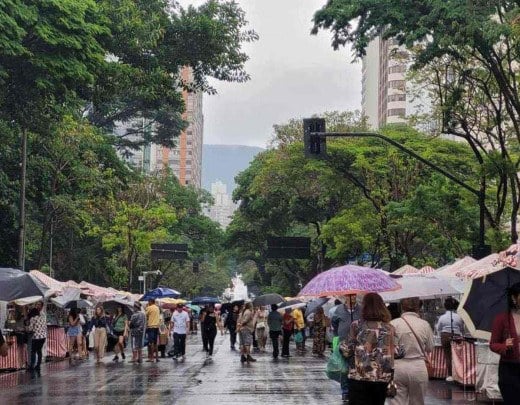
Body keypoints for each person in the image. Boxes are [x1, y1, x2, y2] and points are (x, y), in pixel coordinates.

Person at [341, 292, 400, 405]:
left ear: (364, 307)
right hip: (381, 378)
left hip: (358, 376)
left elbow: (346, 350)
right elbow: (399, 352)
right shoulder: (389, 328)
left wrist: (342, 346)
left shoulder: (356, 325)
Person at [388, 297, 434, 405]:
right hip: (418, 367)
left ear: (402, 307)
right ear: (418, 307)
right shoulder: (424, 324)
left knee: (397, 402)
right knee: (418, 402)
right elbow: (430, 348)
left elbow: (388, 348)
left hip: (398, 367)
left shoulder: (393, 324)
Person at [490, 282, 520, 405]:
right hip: (509, 370)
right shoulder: (501, 319)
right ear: (514, 298)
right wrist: (504, 346)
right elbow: (493, 344)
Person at [332, 295, 361, 399]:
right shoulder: (339, 309)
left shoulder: (361, 309)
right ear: (345, 297)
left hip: (358, 344)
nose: (353, 297)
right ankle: (345, 391)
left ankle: (355, 390)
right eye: (350, 295)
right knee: (344, 368)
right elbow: (334, 323)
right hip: (343, 343)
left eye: (354, 295)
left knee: (356, 367)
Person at [436, 297, 464, 381]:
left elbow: (439, 328)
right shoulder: (459, 317)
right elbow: (462, 329)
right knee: (458, 356)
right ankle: (459, 374)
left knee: (448, 355)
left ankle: (450, 375)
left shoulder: (442, 317)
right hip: (457, 336)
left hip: (445, 336)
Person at [28, 302, 47, 371]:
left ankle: (32, 366)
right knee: (39, 351)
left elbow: (30, 329)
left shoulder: (33, 318)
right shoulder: (43, 316)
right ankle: (38, 365)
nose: (37, 306)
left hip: (36, 337)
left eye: (39, 305)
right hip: (43, 336)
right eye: (37, 305)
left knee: (33, 351)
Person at [145, 298, 161, 363]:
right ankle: (156, 357)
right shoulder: (157, 308)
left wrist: (146, 307)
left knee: (151, 343)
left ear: (151, 302)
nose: (148, 302)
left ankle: (152, 358)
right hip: (156, 327)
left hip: (151, 327)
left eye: (148, 301)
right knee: (155, 343)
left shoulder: (149, 308)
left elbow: (145, 315)